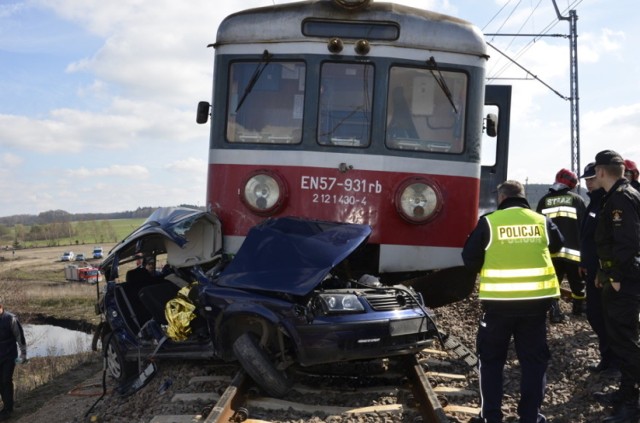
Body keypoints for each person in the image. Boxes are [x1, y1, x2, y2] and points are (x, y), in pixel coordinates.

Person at [462, 180, 564, 423]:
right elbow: (558, 246)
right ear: (523, 196)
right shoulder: (541, 221)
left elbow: (469, 259)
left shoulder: (489, 222)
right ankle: (530, 417)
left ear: (501, 198)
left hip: (498, 307)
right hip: (535, 308)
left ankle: (491, 417)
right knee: (533, 363)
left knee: (491, 362)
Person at [593, 150, 640, 422]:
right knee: (622, 337)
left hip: (626, 279)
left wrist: (619, 276)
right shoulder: (622, 194)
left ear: (601, 171)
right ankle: (625, 393)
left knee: (624, 339)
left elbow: (627, 242)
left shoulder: (620, 198)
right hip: (622, 275)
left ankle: (631, 402)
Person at [578, 162, 620, 374]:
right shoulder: (593, 203)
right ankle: (608, 358)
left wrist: (606, 271)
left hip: (603, 272)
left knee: (604, 315)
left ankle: (615, 361)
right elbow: (587, 237)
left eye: (591, 179)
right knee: (595, 315)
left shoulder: (606, 203)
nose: (588, 183)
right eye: (585, 180)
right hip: (592, 269)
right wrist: (583, 263)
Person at [536, 168, 587, 322]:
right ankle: (579, 309)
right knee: (578, 283)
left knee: (553, 283)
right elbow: (585, 226)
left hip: (551, 252)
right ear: (572, 183)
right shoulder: (577, 200)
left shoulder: (544, 201)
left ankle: (554, 313)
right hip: (573, 253)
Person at [0, 298, 27, 422]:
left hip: (9, 356)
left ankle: (8, 409)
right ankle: (5, 407)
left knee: (6, 380)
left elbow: (19, 337)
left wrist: (23, 355)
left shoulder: (11, 319)